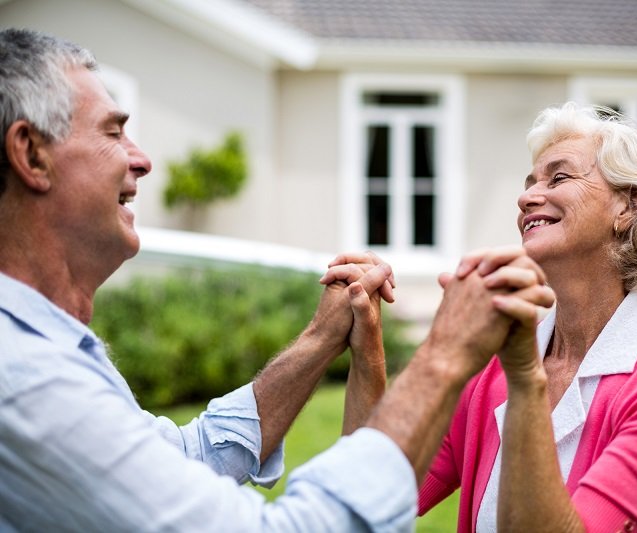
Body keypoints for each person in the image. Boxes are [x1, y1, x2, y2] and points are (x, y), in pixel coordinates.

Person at [0, 28, 555, 531]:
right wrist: (443, 355)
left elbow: (184, 461)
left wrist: (320, 341)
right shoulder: (23, 373)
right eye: (113, 133)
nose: (141, 159)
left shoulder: (43, 349)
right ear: (31, 154)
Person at [417, 103, 637, 532]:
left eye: (559, 177)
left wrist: (525, 377)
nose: (526, 196)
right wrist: (362, 348)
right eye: (530, 183)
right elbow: (381, 490)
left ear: (629, 207)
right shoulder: (496, 364)